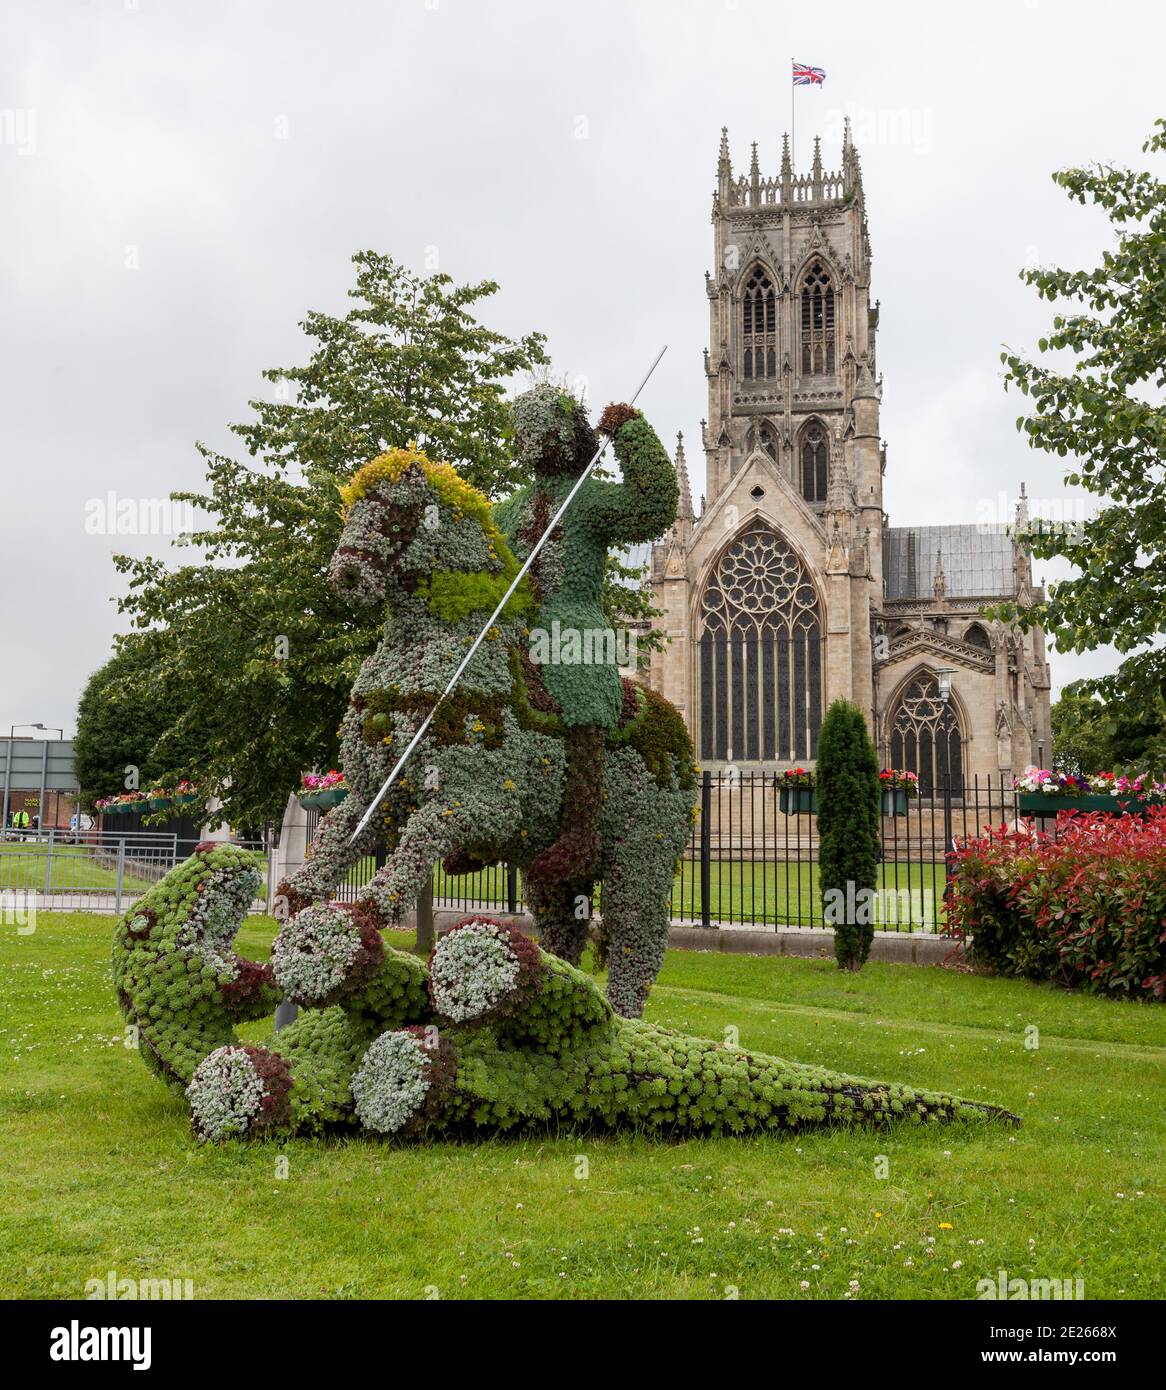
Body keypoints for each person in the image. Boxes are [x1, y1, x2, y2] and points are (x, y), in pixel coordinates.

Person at [493, 387, 678, 883]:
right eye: (524, 428)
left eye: (543, 425)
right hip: (516, 626)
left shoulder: (589, 497)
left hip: (573, 621)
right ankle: (487, 818)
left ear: (567, 434)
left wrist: (630, 432)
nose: (532, 436)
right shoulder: (508, 510)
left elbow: (654, 504)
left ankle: (582, 828)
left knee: (581, 684)